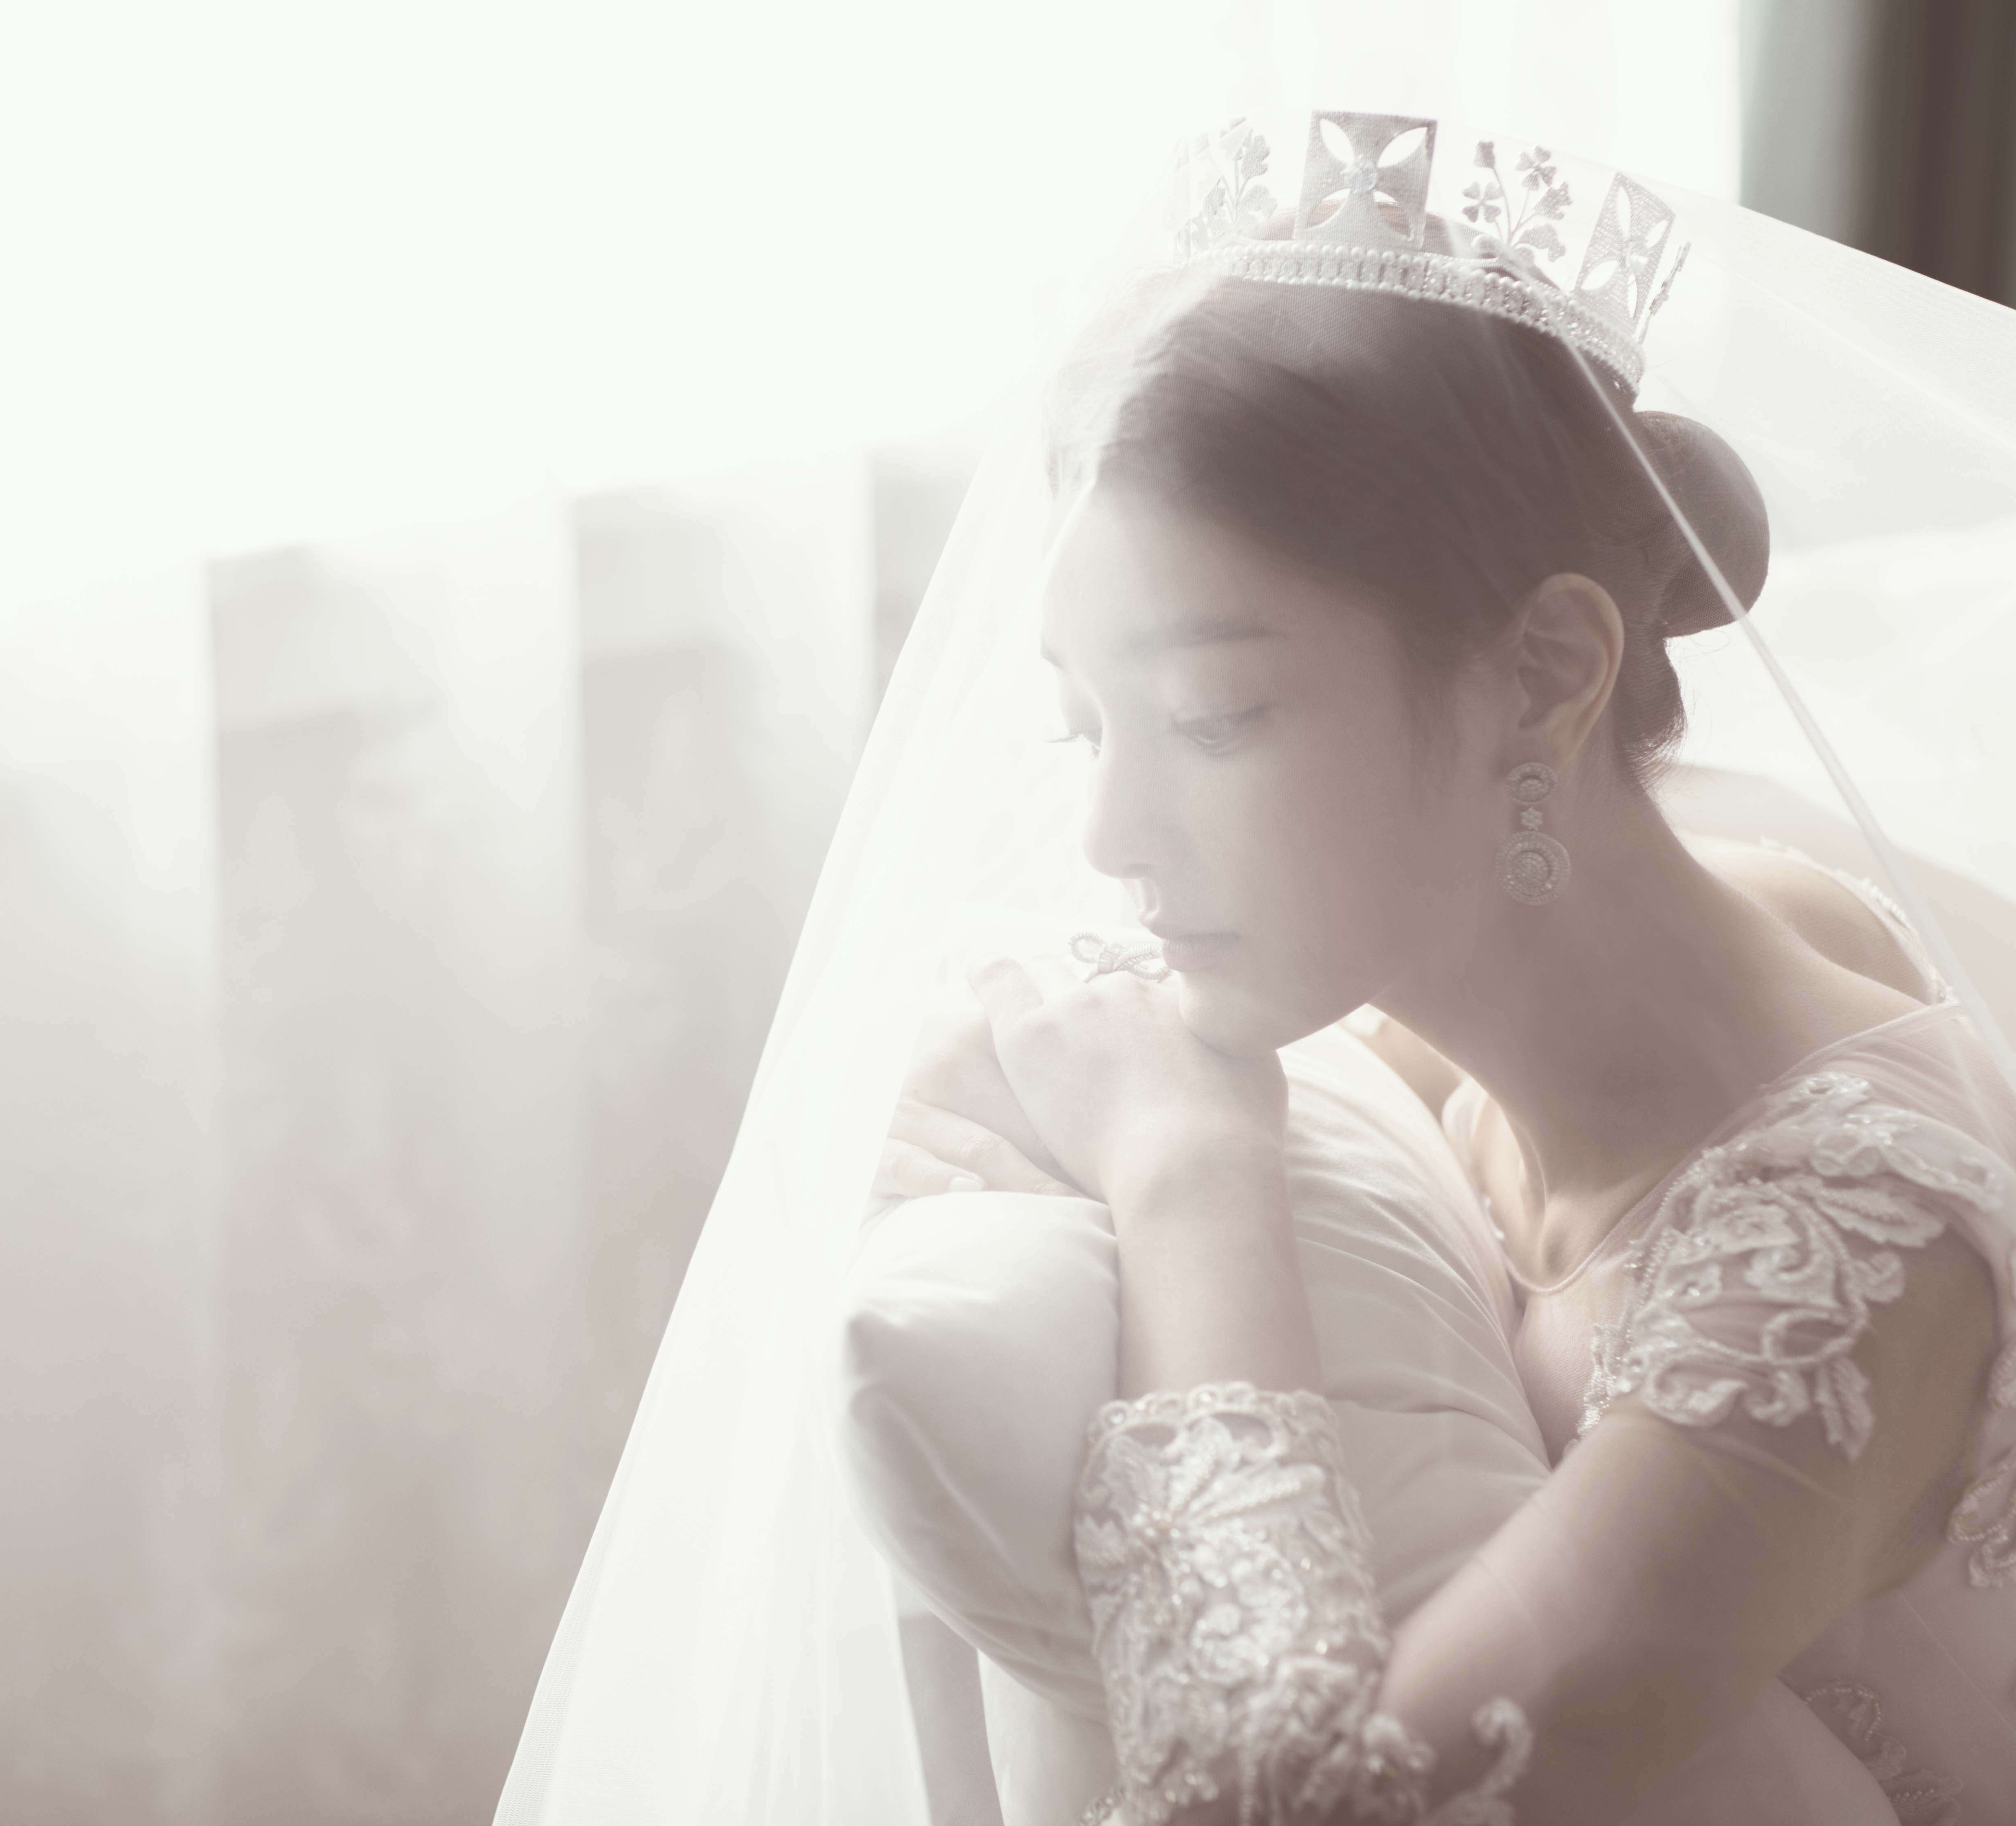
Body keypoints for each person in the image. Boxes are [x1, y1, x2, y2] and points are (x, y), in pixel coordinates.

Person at [495, 111, 2016, 1826]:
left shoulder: (1840, 1265)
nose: (1110, 836)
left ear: (1546, 673)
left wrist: (1190, 1178)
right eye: (1086, 725)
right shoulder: (1554, 997)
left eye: (1213, 718)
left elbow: (1294, 1806)